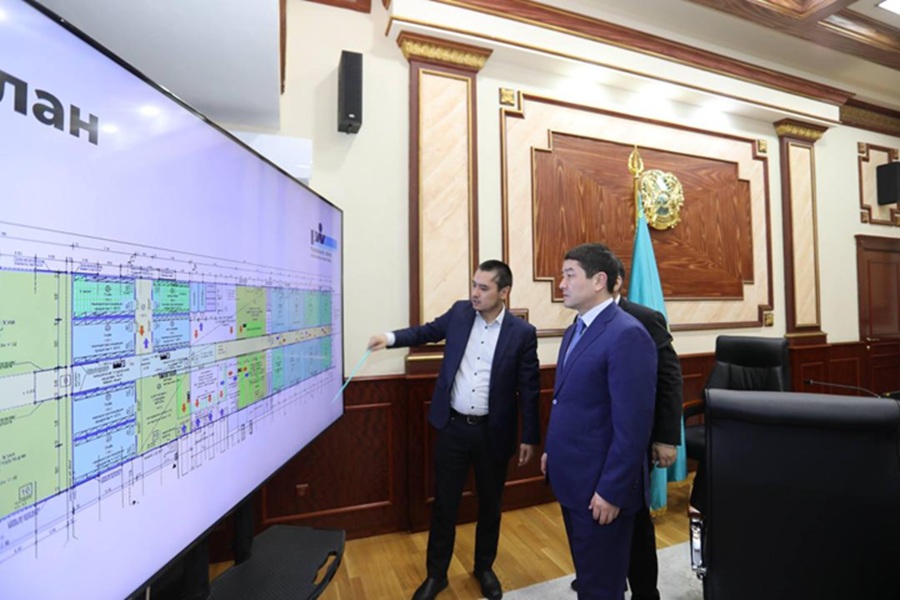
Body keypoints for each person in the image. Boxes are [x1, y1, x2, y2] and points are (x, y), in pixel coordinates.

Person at [368, 259, 540, 600]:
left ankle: (484, 568)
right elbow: (425, 332)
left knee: (490, 506)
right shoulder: (460, 313)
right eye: (474, 284)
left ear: (504, 292)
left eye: (484, 287)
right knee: (444, 505)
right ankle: (437, 575)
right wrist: (388, 338)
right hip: (453, 429)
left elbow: (530, 388)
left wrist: (530, 436)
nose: (475, 293)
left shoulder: (522, 333)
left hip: (493, 433)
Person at [541, 243, 657, 600]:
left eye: (569, 275)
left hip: (600, 488)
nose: (561, 284)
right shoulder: (575, 330)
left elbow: (632, 428)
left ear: (598, 280)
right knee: (589, 577)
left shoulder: (627, 334)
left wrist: (611, 490)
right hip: (573, 477)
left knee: (601, 589)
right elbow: (569, 401)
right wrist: (552, 450)